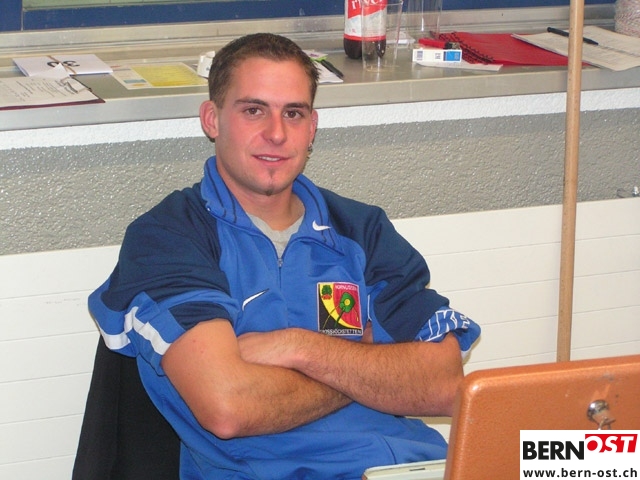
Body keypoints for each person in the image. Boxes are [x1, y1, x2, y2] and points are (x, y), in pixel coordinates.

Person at [75, 33, 481, 479]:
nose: (276, 133)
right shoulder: (171, 236)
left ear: (312, 127)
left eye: (293, 113)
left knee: (540, 456)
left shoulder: (360, 229)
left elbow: (444, 384)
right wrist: (368, 363)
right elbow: (229, 406)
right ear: (212, 119)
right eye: (254, 110)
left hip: (417, 465)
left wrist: (297, 347)